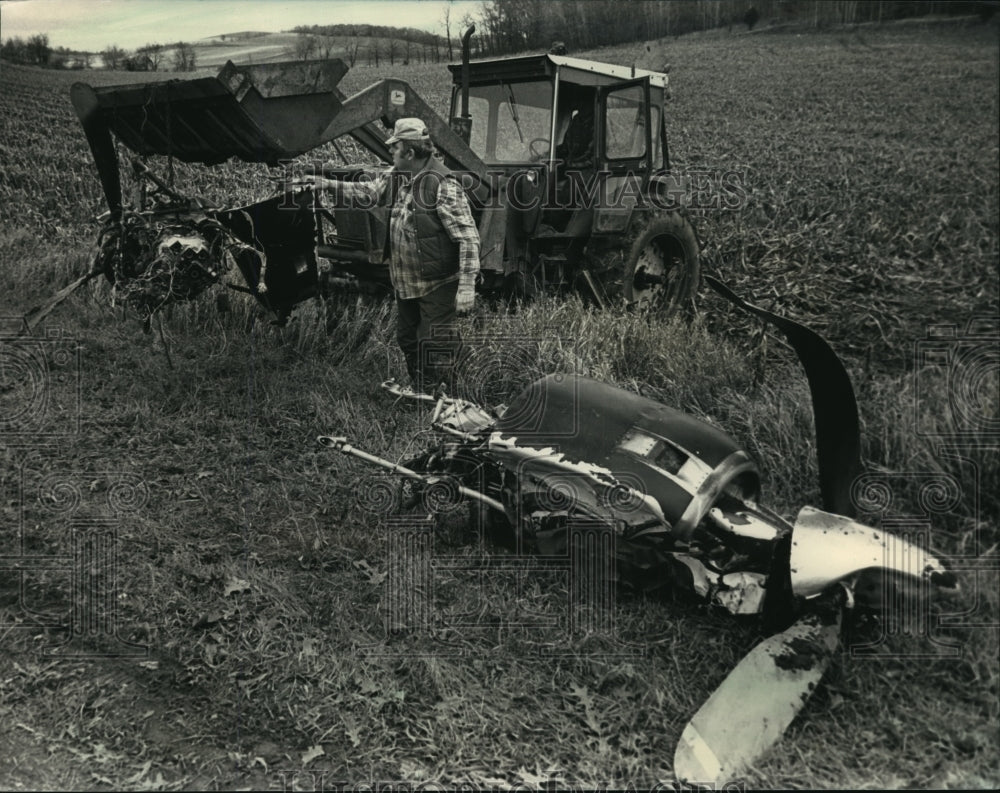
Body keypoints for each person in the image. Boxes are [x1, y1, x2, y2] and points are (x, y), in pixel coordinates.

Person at [297, 118, 480, 394]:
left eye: (395, 147)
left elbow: (467, 237)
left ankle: (459, 390)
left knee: (433, 341)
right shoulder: (397, 174)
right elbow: (368, 193)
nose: (391, 152)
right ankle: (424, 391)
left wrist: (466, 286)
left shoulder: (443, 185)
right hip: (406, 281)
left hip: (437, 281)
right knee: (407, 339)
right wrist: (326, 184)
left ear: (410, 152)